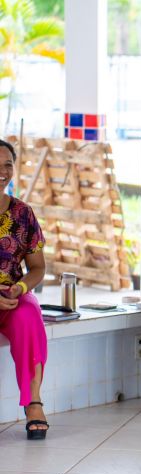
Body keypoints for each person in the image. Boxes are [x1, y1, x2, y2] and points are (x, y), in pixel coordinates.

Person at [0, 139, 49, 440]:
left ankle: (34, 403)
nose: (2, 171)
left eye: (7, 164)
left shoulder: (23, 214)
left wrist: (19, 289)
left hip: (11, 297)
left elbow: (38, 268)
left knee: (30, 314)